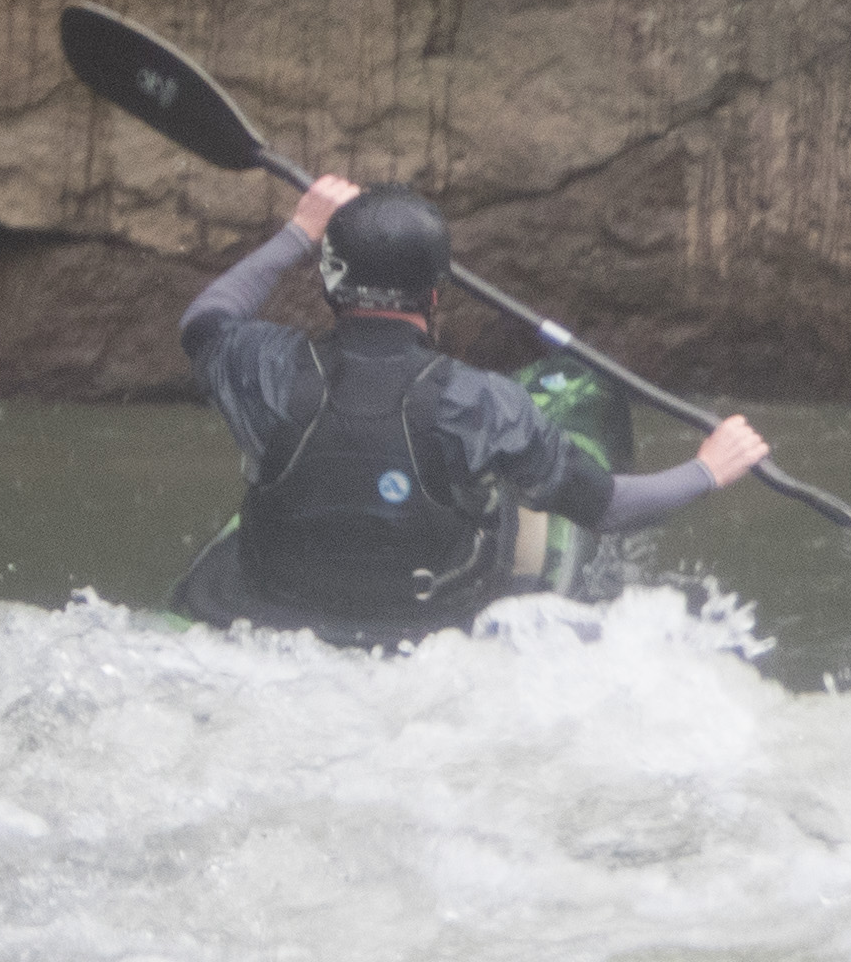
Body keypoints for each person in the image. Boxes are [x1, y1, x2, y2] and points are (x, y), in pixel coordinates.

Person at [169, 171, 770, 644]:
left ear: (331, 282)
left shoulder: (264, 369)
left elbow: (205, 319)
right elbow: (608, 507)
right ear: (435, 295)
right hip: (428, 632)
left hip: (271, 617)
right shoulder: (482, 404)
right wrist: (708, 469)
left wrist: (301, 229)